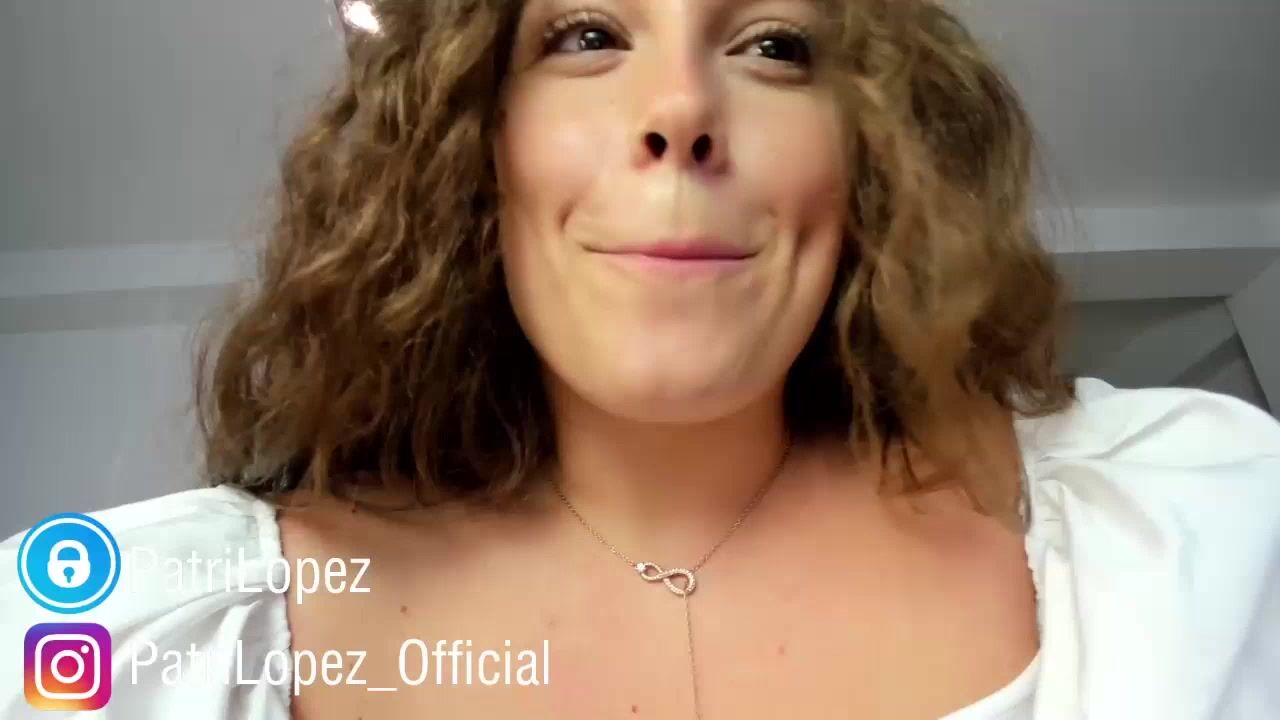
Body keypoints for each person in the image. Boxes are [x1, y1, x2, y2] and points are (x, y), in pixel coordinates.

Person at [3, 0, 1278, 717]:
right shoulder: (109, 637)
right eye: (585, 34)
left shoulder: (1200, 535)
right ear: (470, 149)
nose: (678, 110)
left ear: (870, 155)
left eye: (772, 44)